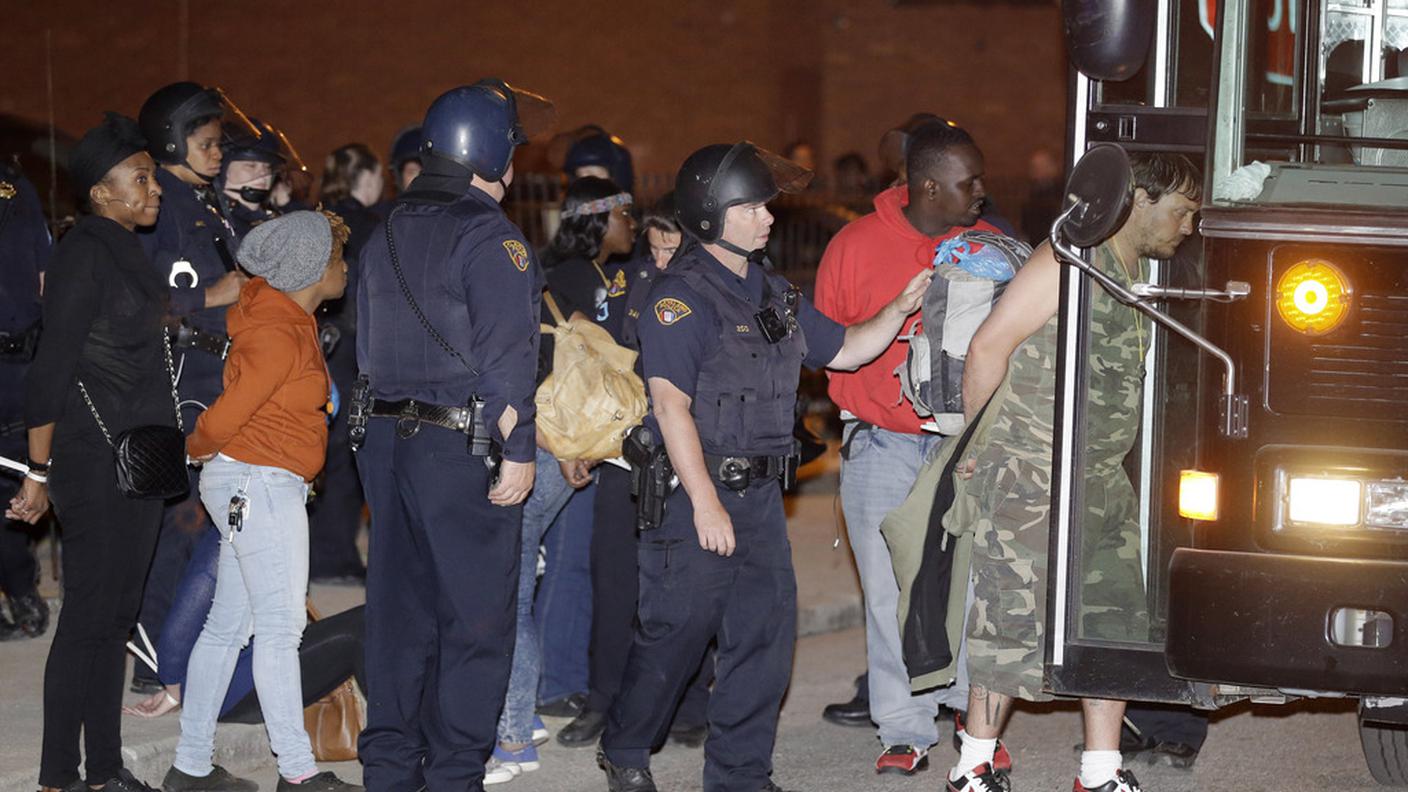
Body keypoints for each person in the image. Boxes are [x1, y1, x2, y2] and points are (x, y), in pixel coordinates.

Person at [597, 142, 931, 792]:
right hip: (693, 497)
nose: (767, 217)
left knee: (763, 643)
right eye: (750, 207)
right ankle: (627, 747)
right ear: (710, 214)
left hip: (760, 501)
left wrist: (900, 307)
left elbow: (847, 351)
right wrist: (704, 502)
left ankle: (740, 775)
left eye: (765, 205)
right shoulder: (681, 299)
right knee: (676, 636)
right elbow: (669, 406)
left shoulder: (771, 292)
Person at [937, 152, 1200, 792]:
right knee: (1010, 618)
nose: (1191, 224)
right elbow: (988, 345)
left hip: (1102, 477)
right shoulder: (1067, 258)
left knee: (1113, 619)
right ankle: (973, 765)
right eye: (1184, 209)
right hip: (1033, 472)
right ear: (1139, 199)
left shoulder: (1136, 270)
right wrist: (980, 445)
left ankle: (1100, 771)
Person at [354, 78, 546, 791]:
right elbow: (507, 361)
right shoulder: (491, 237)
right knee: (475, 622)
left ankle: (391, 771)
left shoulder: (389, 227)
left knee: (399, 619)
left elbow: (366, 349)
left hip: (385, 442)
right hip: (459, 450)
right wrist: (518, 450)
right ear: (491, 151)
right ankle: (456, 774)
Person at [813, 121, 1007, 776]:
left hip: (964, 446)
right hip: (881, 440)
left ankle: (971, 719)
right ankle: (902, 726)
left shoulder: (990, 248)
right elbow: (828, 345)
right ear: (928, 187)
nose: (982, 191)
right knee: (888, 589)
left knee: (971, 583)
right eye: (968, 182)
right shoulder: (855, 246)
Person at [164, 210, 358, 792]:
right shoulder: (278, 330)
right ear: (311, 271)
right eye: (338, 259)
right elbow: (224, 417)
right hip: (261, 484)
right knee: (279, 631)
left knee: (227, 628)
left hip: (256, 481)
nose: (345, 268)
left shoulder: (283, 318)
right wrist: (195, 449)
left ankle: (190, 766)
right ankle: (297, 773)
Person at [14, 111, 170, 792]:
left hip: (139, 457)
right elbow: (51, 370)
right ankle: (57, 776)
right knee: (85, 621)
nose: (155, 188)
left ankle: (104, 768)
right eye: (141, 178)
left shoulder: (128, 245)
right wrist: (38, 472)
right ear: (102, 191)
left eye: (154, 176)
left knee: (116, 619)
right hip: (89, 457)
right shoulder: (82, 252)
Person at [547, 180, 712, 753]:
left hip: (694, 453)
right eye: (656, 247)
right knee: (613, 582)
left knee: (686, 584)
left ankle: (691, 702)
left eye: (674, 249)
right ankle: (603, 698)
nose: (663, 260)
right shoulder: (628, 282)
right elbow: (605, 367)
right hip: (628, 454)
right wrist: (583, 444)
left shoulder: (717, 286)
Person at [134, 82, 253, 696]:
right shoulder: (160, 204)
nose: (218, 151)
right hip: (183, 380)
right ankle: (153, 659)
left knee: (211, 522)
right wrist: (209, 297)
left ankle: (179, 651)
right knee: (177, 522)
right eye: (207, 142)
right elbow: (131, 299)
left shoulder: (204, 203)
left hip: (216, 375)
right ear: (173, 141)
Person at [307, 143, 383, 585]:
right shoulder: (372, 227)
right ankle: (335, 557)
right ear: (368, 177)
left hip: (315, 346)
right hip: (354, 351)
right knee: (348, 456)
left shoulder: (315, 220)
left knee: (316, 450)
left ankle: (317, 552)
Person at [0, 160, 52, 642]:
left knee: (17, 480)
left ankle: (20, 587)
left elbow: (44, 275)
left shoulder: (15, 186)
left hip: (15, 361)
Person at [217, 118, 285, 237]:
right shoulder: (213, 223)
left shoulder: (270, 222)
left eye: (267, 167)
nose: (263, 174)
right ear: (223, 168)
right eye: (251, 166)